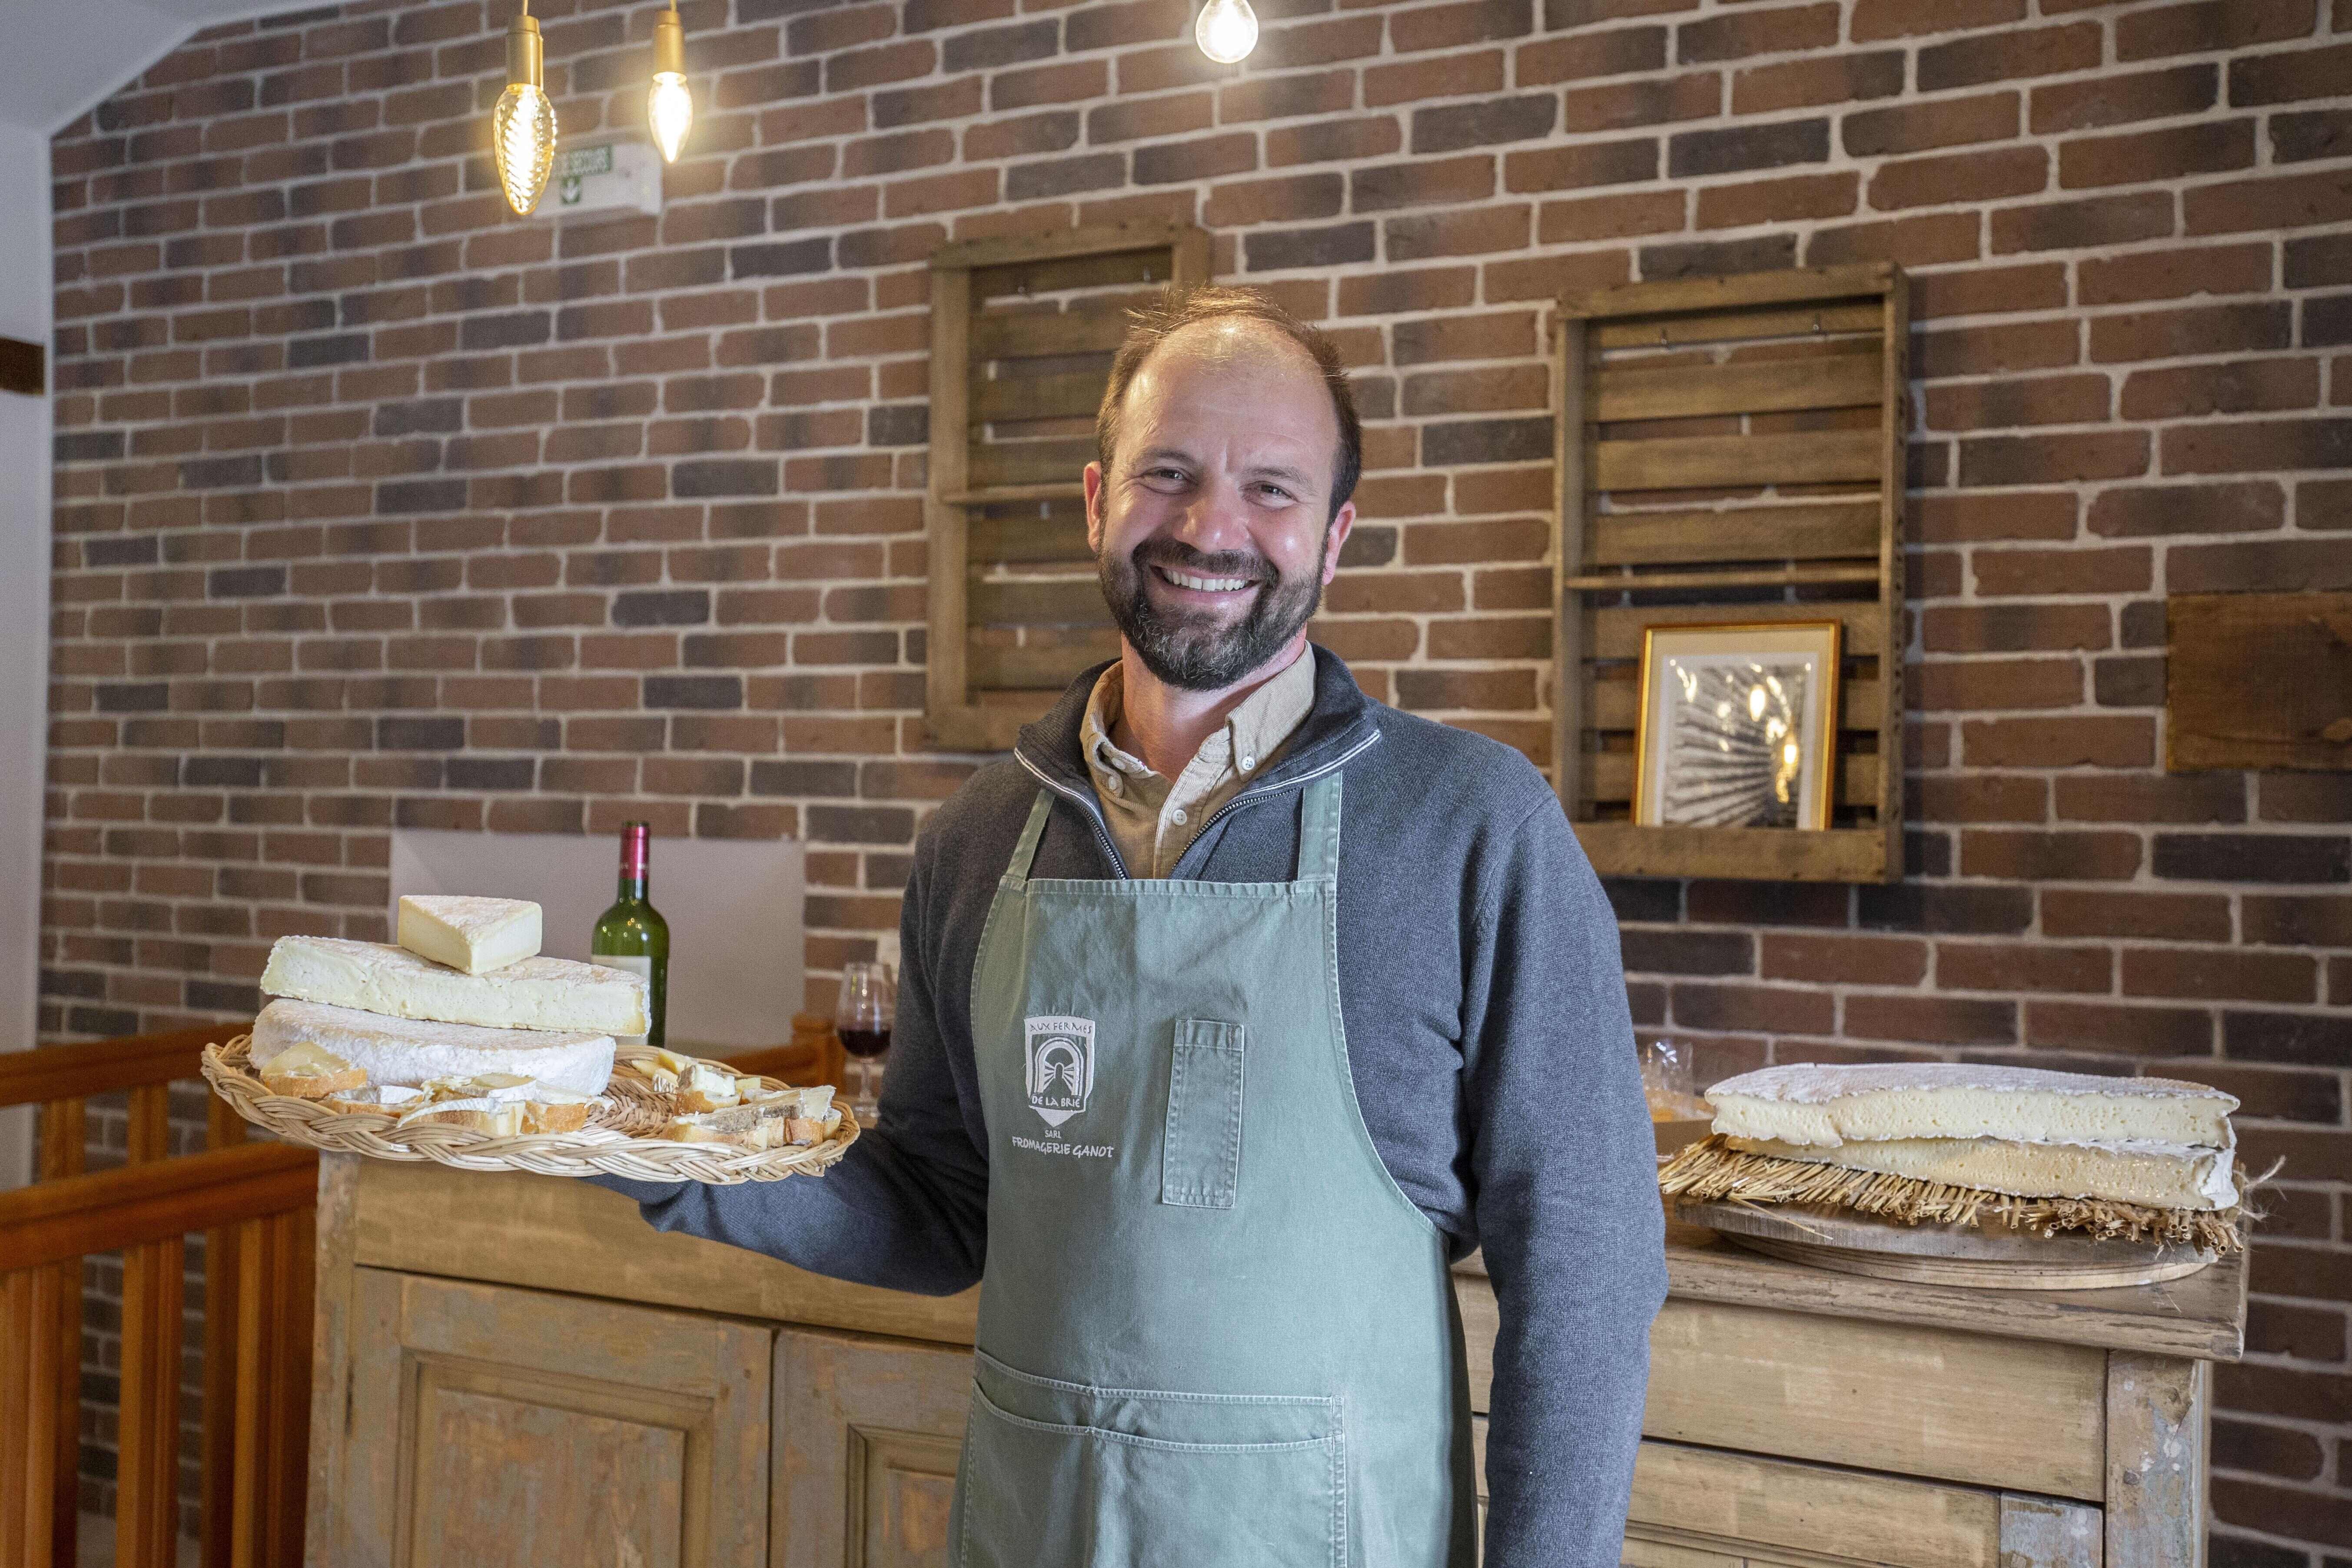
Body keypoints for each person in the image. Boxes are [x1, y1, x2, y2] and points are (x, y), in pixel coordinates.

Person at [595, 286, 1667, 1567]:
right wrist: (639, 1141)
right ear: (1099, 501)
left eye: (1271, 488)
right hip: (1037, 1528)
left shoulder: (1469, 826)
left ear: (1335, 538)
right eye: (1170, 473)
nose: (1212, 525)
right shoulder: (976, 840)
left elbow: (1586, 1276)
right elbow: (940, 1210)